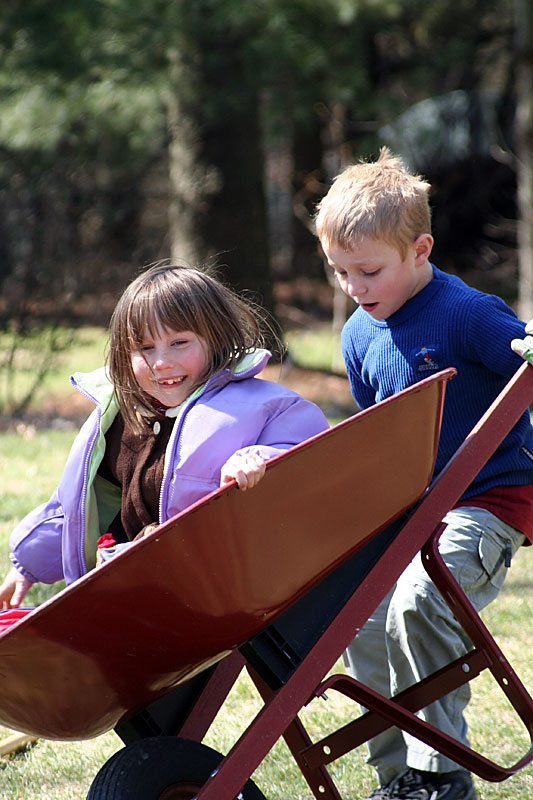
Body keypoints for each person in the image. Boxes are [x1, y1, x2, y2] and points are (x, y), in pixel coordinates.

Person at [314, 148, 533, 800]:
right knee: (358, 616)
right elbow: (377, 434)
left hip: (486, 501)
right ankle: (398, 778)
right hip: (409, 512)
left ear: (419, 249)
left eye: (368, 270)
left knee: (420, 600)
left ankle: (440, 775)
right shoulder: (357, 334)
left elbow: (520, 351)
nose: (354, 286)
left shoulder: (465, 312)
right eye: (339, 272)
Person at [0, 263, 328, 609]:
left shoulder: (256, 407)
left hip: (218, 595)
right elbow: (80, 507)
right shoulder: (121, 419)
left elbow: (306, 454)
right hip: (130, 594)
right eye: (145, 348)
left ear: (216, 337)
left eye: (179, 343)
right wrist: (27, 566)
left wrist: (258, 459)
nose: (162, 363)